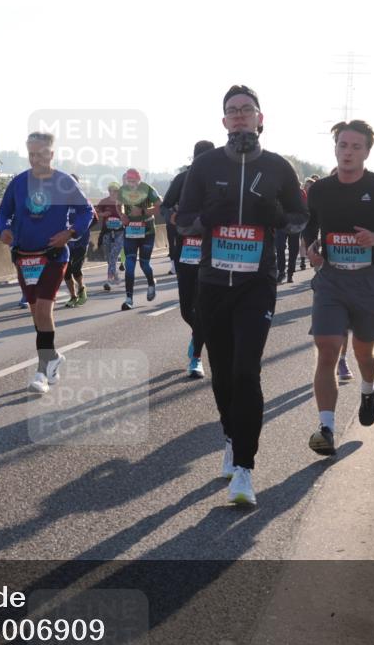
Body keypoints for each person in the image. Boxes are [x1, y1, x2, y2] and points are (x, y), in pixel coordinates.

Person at [176, 85, 308, 506]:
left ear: (260, 118)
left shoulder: (278, 168)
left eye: (246, 110)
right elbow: (181, 222)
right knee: (223, 373)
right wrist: (204, 220)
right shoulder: (205, 165)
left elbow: (299, 219)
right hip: (213, 283)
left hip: (256, 283)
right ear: (223, 121)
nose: (239, 117)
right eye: (232, 111)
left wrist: (277, 218)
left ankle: (245, 471)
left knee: (247, 372)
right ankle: (231, 437)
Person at [302, 120, 374, 455]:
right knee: (327, 347)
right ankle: (327, 428)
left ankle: (368, 388)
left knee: (364, 352)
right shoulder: (320, 189)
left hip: (367, 280)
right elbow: (309, 223)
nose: (348, 152)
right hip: (331, 278)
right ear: (335, 148)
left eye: (356, 147)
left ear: (366, 151)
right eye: (343, 146)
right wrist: (311, 246)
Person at [0, 132, 94, 393]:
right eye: (31, 154)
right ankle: (52, 356)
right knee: (35, 313)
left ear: (51, 154)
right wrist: (4, 229)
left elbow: (87, 212)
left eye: (41, 154)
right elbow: (4, 211)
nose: (35, 159)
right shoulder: (18, 183)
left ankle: (41, 372)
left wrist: (70, 233)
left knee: (43, 311)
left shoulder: (64, 182)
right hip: (24, 257)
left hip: (52, 255)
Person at [163, 140, 216, 378]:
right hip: (186, 250)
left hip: (213, 252)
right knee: (187, 309)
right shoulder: (182, 180)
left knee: (204, 306)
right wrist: (173, 217)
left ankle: (196, 357)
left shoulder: (221, 179)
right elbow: (164, 207)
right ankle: (198, 334)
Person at [119, 169, 161, 310]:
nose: (131, 184)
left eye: (134, 181)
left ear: (139, 180)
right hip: (130, 231)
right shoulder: (123, 190)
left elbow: (159, 207)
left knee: (144, 264)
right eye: (129, 181)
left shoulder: (148, 189)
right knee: (129, 265)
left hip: (147, 231)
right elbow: (118, 205)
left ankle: (151, 283)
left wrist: (143, 211)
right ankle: (129, 299)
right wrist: (122, 215)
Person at [63, 174, 90, 308]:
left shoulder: (83, 201)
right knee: (66, 271)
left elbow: (93, 218)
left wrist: (81, 230)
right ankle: (73, 296)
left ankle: (81, 287)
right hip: (65, 242)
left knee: (75, 268)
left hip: (80, 241)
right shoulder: (60, 201)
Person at [95, 182, 124, 291]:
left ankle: (109, 281)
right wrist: (104, 214)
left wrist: (121, 215)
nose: (113, 192)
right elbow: (95, 213)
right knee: (109, 258)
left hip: (120, 233)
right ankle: (115, 276)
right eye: (111, 190)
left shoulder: (122, 202)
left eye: (115, 190)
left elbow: (128, 214)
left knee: (113, 256)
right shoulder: (104, 201)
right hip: (107, 232)